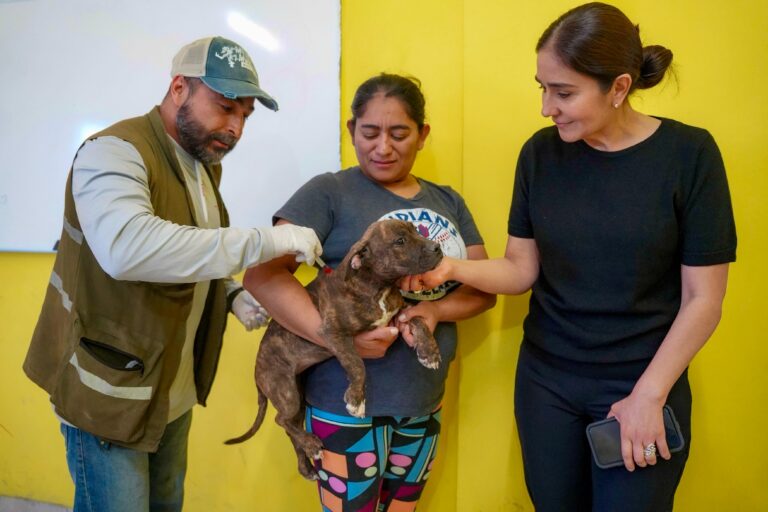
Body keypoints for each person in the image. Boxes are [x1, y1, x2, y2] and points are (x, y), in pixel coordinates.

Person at [402, 3, 737, 511]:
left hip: (644, 381)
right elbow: (521, 269)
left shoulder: (689, 155)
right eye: (542, 87)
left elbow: (703, 300)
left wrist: (648, 396)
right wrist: (449, 269)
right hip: (547, 384)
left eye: (563, 92)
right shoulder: (540, 154)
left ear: (619, 87)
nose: (546, 106)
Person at [23, 36, 323, 512]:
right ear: (179, 88)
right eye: (225, 107)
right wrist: (267, 242)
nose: (235, 128)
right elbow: (128, 248)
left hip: (169, 388)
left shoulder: (201, 164)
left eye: (245, 115)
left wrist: (228, 294)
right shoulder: (113, 153)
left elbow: (182, 248)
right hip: (111, 389)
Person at [244, 73, 496, 511]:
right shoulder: (329, 192)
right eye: (370, 133)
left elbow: (483, 290)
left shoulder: (448, 201)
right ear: (351, 131)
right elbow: (263, 277)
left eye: (400, 134)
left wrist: (434, 313)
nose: (383, 147)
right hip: (342, 407)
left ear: (422, 135)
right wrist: (339, 340)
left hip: (422, 402)